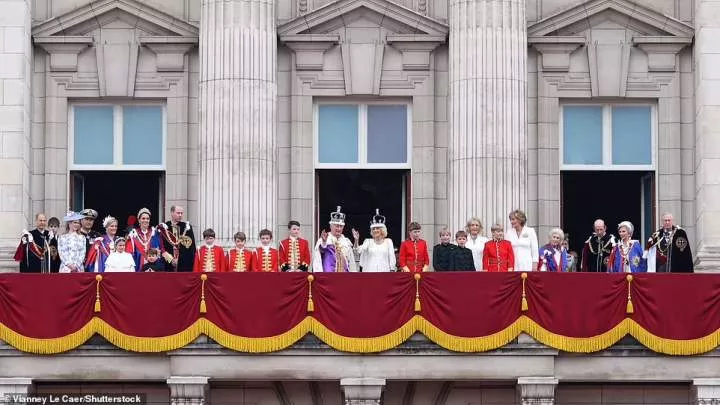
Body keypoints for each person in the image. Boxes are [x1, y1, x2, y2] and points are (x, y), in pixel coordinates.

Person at [312, 206, 358, 272]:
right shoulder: (325, 238)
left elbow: (351, 261)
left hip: (344, 276)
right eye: (336, 226)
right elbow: (320, 251)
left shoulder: (346, 241)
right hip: (329, 275)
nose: (339, 228)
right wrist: (324, 242)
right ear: (331, 226)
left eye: (341, 226)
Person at [159, 206, 196, 272]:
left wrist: (180, 260)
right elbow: (161, 247)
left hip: (183, 264)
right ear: (172, 213)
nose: (180, 215)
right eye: (178, 213)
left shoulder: (187, 227)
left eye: (181, 213)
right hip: (167, 263)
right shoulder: (164, 227)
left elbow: (191, 248)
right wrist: (170, 259)